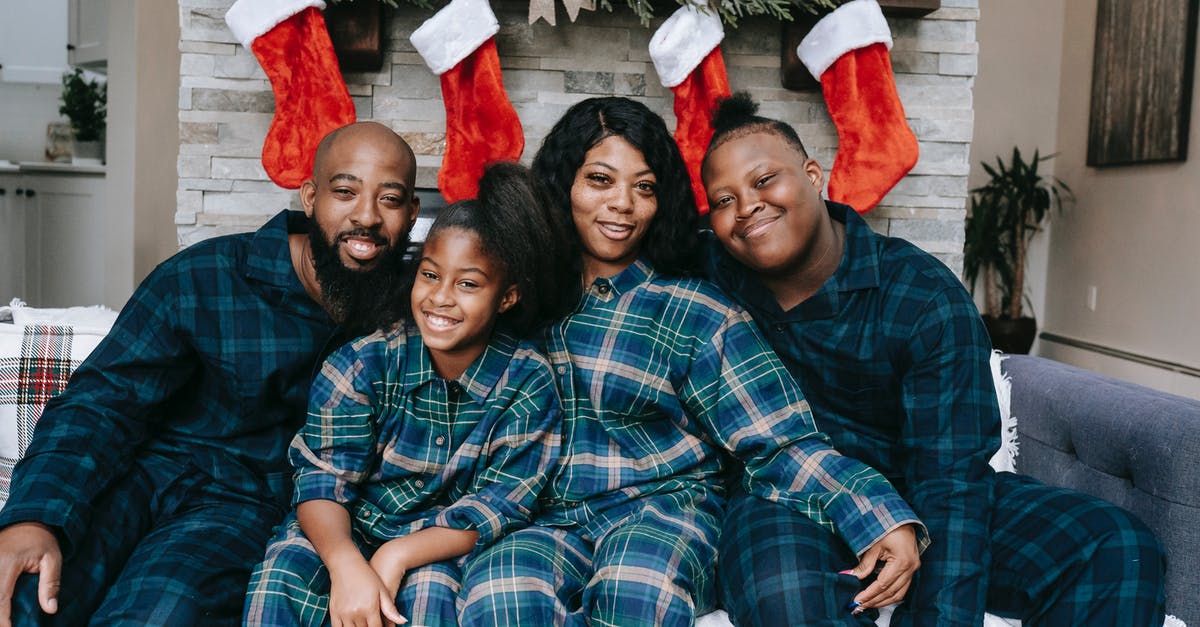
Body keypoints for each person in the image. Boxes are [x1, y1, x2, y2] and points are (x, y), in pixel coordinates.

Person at [700, 93, 1167, 626]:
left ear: (812, 173)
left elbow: (951, 479)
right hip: (786, 499)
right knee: (786, 598)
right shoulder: (713, 271)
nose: (746, 207)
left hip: (922, 489)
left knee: (1115, 547)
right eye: (722, 200)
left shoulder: (920, 295)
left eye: (763, 181)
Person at [458, 96, 926, 627]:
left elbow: (779, 442)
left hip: (663, 516)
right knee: (500, 591)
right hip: (545, 522)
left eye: (645, 187)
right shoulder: (519, 302)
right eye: (600, 180)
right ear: (563, 185)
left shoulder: (696, 312)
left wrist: (879, 517)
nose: (623, 204)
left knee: (632, 593)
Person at [0, 121, 422, 626]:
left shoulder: (421, 310)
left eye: (390, 199)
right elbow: (101, 402)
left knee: (158, 613)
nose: (367, 217)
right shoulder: (205, 276)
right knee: (25, 594)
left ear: (412, 214)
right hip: (142, 475)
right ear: (310, 197)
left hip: (242, 506)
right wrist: (33, 515)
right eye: (345, 192)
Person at [243, 162, 573, 627]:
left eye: (468, 284)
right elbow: (321, 482)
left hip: (438, 543)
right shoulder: (364, 363)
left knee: (429, 594)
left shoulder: (528, 380)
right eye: (430, 275)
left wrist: (397, 554)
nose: (441, 298)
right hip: (343, 526)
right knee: (282, 575)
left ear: (507, 297)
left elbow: (499, 505)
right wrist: (346, 564)